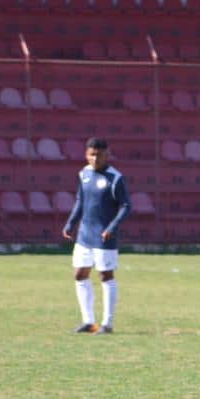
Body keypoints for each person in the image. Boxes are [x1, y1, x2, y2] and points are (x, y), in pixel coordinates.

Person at [62, 137, 131, 334]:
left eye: (100, 155)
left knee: (105, 275)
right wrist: (70, 223)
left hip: (104, 237)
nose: (95, 159)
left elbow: (126, 205)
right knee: (79, 274)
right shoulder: (83, 174)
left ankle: (107, 324)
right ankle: (88, 322)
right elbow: (80, 200)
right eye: (92, 155)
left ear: (107, 155)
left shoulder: (115, 178)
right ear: (86, 154)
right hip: (85, 235)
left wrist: (112, 227)